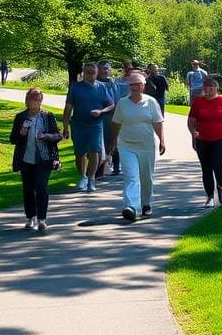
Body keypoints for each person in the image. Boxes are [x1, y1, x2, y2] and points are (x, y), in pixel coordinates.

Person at [110, 71, 165, 221]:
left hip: (146, 146)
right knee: (131, 176)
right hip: (127, 145)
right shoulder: (122, 103)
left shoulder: (151, 102)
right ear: (128, 86)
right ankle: (131, 207)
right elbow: (116, 124)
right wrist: (113, 141)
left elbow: (157, 122)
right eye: (132, 84)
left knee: (146, 177)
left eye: (138, 84)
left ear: (143, 86)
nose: (134, 87)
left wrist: (162, 140)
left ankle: (146, 204)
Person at [9, 87, 62, 231]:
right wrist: (21, 133)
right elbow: (13, 139)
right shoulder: (21, 117)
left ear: (41, 101)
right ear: (26, 101)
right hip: (26, 158)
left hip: (44, 158)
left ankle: (42, 218)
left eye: (37, 99)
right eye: (32, 99)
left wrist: (46, 136)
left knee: (41, 186)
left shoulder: (47, 116)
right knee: (28, 188)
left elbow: (57, 136)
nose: (34, 102)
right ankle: (30, 217)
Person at [62, 62, 115, 192]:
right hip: (78, 124)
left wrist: (101, 111)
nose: (90, 75)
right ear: (83, 73)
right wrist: (65, 126)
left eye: (93, 72)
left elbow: (111, 105)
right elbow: (68, 108)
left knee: (94, 151)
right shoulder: (75, 87)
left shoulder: (101, 87)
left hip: (95, 125)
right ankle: (82, 177)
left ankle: (92, 178)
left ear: (97, 73)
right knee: (79, 152)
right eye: (88, 72)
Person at [187, 75, 222, 208]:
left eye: (210, 87)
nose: (207, 89)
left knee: (218, 165)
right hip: (202, 140)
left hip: (220, 139)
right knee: (206, 168)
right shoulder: (198, 102)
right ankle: (209, 197)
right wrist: (193, 134)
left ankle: (220, 186)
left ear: (216, 88)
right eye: (205, 87)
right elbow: (191, 121)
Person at [96, 60, 121, 177]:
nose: (105, 71)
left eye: (107, 69)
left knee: (114, 141)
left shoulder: (112, 83)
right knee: (100, 144)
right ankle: (99, 171)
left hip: (112, 116)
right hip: (98, 117)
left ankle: (116, 167)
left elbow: (116, 100)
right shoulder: (94, 83)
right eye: (102, 68)